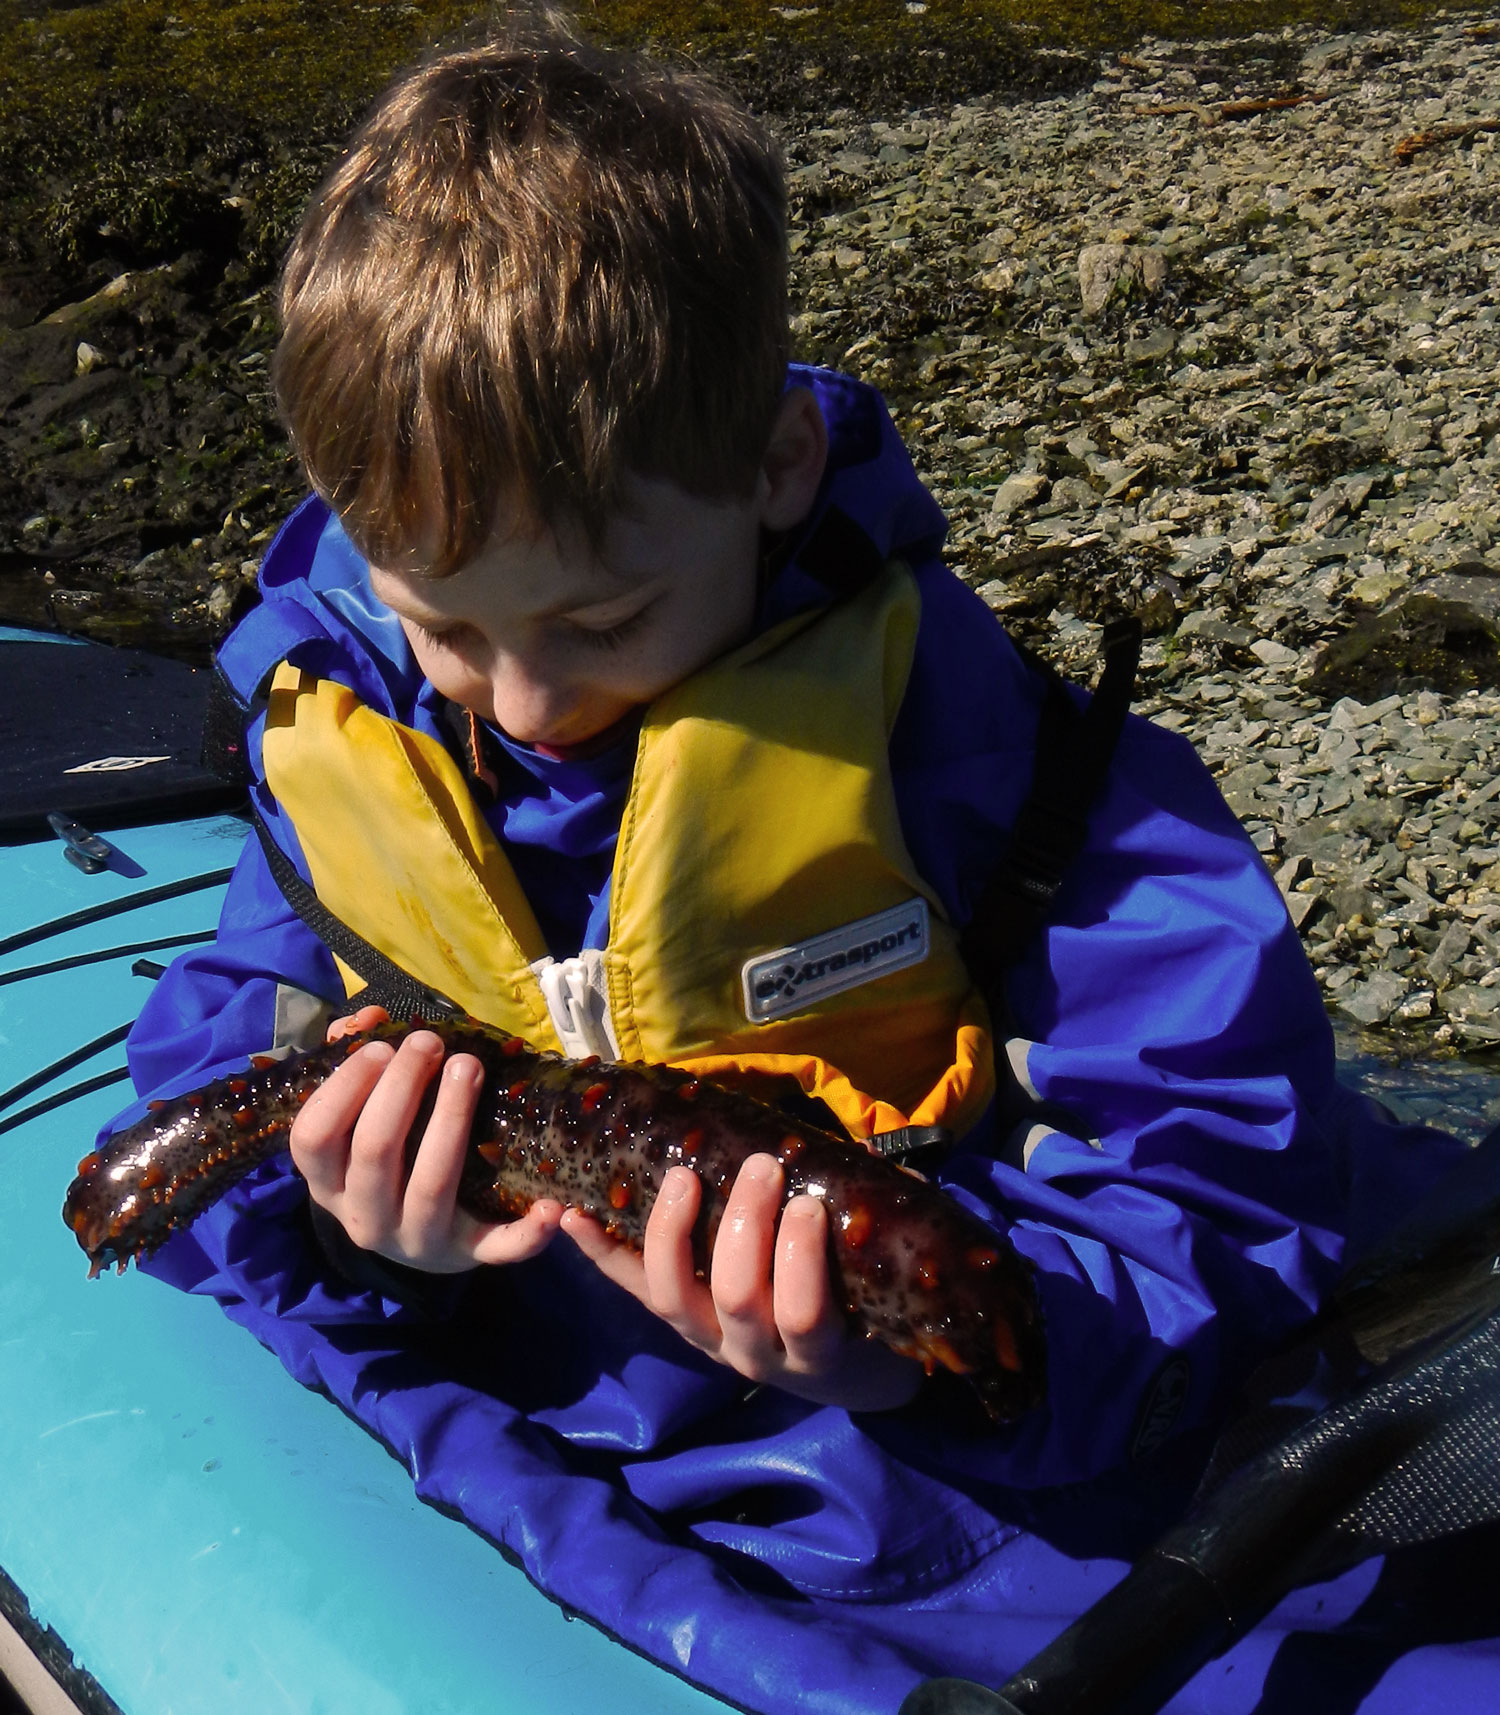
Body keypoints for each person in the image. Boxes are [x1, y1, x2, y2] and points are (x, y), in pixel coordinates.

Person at [106, 14, 1468, 1706]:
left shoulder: (1035, 791)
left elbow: (1218, 1190)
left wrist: (928, 1367)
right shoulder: (349, 736)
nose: (528, 701)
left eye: (602, 620)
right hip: (571, 1392)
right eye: (443, 626)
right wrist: (360, 1226)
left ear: (776, 466)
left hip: (973, 1467)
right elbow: (226, 1023)